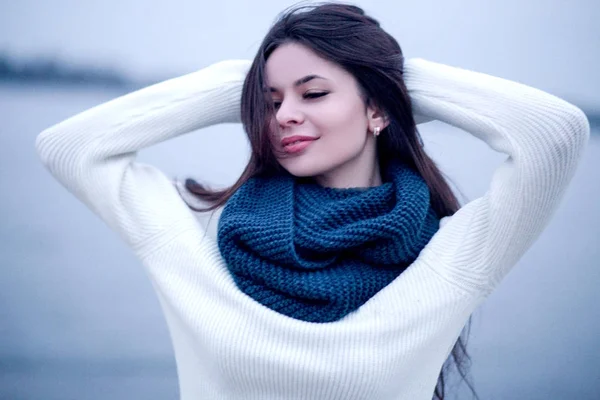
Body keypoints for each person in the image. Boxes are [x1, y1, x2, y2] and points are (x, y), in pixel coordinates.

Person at [35, 3, 590, 400]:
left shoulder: (447, 256)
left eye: (314, 92)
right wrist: (239, 82)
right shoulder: (200, 229)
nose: (282, 116)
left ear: (377, 109)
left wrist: (391, 81)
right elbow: (68, 146)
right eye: (269, 102)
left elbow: (555, 134)